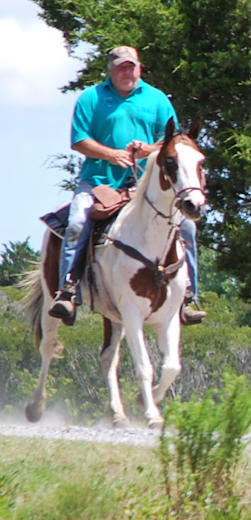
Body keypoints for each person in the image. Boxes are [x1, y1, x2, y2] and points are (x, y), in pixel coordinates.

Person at [50, 46, 206, 326]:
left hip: (145, 187)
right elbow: (79, 139)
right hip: (98, 181)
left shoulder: (156, 99)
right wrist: (112, 154)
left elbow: (172, 141)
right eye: (121, 67)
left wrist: (147, 149)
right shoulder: (91, 98)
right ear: (111, 69)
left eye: (132, 66)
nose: (127, 71)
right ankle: (68, 290)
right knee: (76, 222)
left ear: (139, 68)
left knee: (188, 227)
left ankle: (188, 297)